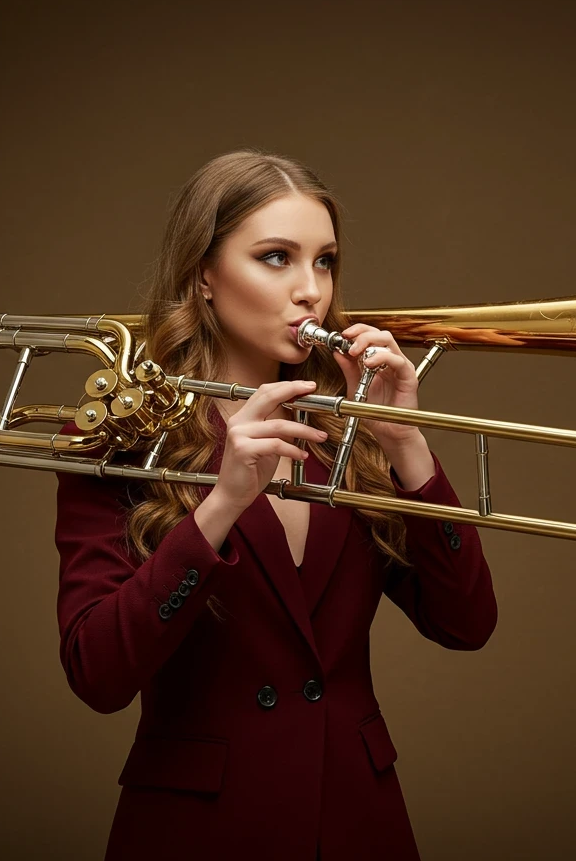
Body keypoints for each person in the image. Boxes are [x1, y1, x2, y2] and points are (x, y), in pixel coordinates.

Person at [53, 149, 498, 860]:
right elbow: (98, 673)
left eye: (324, 262)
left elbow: (468, 623)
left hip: (356, 823)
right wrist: (220, 505)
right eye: (275, 258)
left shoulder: (349, 435)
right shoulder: (119, 436)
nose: (310, 291)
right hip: (197, 831)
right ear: (204, 274)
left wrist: (407, 445)